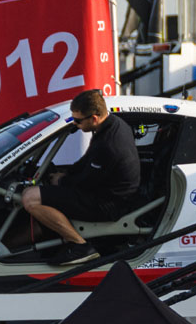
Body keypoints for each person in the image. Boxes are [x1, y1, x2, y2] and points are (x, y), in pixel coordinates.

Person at [21, 89, 140, 266]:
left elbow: (85, 183)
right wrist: (66, 173)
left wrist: (61, 181)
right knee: (45, 191)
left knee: (30, 198)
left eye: (77, 121)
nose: (75, 125)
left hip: (109, 205)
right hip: (107, 193)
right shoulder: (113, 125)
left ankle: (80, 246)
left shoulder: (109, 145)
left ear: (94, 118)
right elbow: (88, 162)